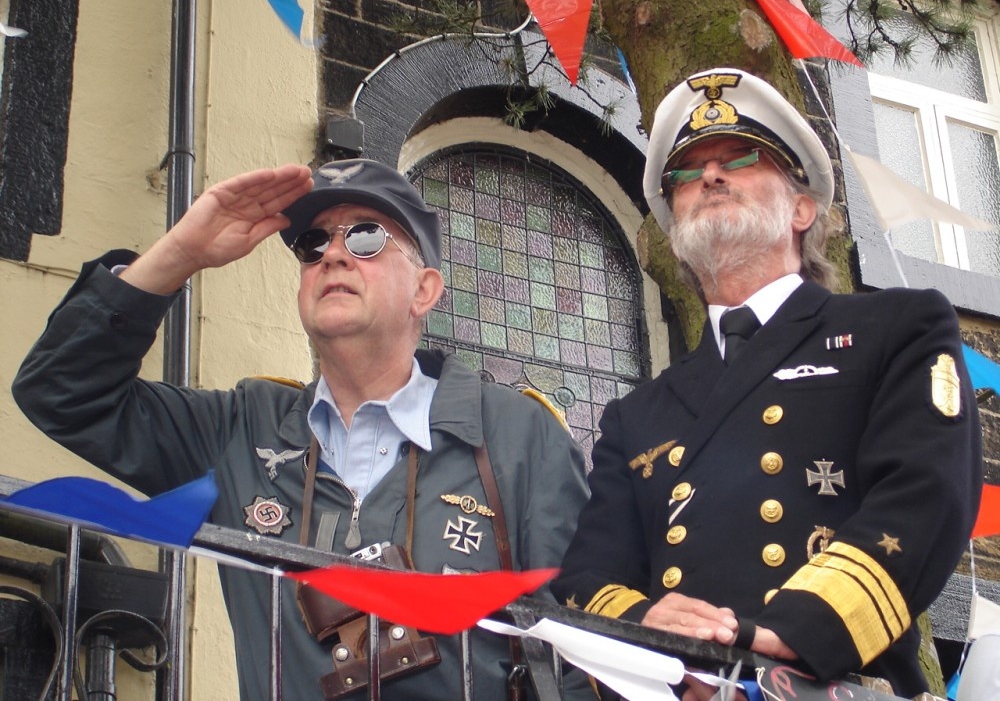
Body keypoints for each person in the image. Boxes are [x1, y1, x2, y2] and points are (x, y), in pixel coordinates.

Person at [13, 159, 591, 700]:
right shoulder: (243, 430)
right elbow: (62, 394)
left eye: (365, 237)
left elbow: (585, 653)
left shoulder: (518, 435)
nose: (333, 255)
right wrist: (179, 254)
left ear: (424, 290)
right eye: (313, 244)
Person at [551, 67, 983, 700]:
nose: (710, 176)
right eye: (685, 174)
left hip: (832, 679)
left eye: (739, 158)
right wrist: (651, 632)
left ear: (803, 209)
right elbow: (588, 577)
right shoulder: (636, 414)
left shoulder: (896, 328)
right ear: (675, 235)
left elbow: (925, 497)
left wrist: (791, 631)